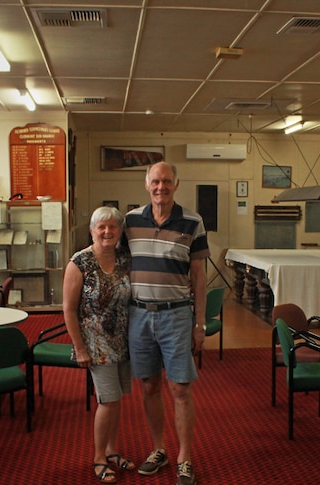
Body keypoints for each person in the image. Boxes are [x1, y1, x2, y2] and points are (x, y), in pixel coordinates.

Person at [123, 161, 209, 485]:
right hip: (139, 315)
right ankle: (158, 449)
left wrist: (200, 323)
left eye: (167, 182)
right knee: (148, 386)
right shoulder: (130, 221)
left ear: (177, 184)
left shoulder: (193, 221)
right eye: (155, 181)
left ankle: (184, 456)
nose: (161, 187)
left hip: (176, 315)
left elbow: (199, 276)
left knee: (180, 388)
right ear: (147, 184)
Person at [63, 206, 134, 484]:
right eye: (101, 227)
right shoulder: (79, 262)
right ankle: (98, 458)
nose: (107, 232)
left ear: (119, 231)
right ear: (92, 230)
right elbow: (68, 310)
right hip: (95, 343)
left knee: (117, 401)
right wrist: (79, 348)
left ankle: (111, 450)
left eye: (112, 227)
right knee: (108, 400)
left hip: (122, 341)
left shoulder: (124, 258)